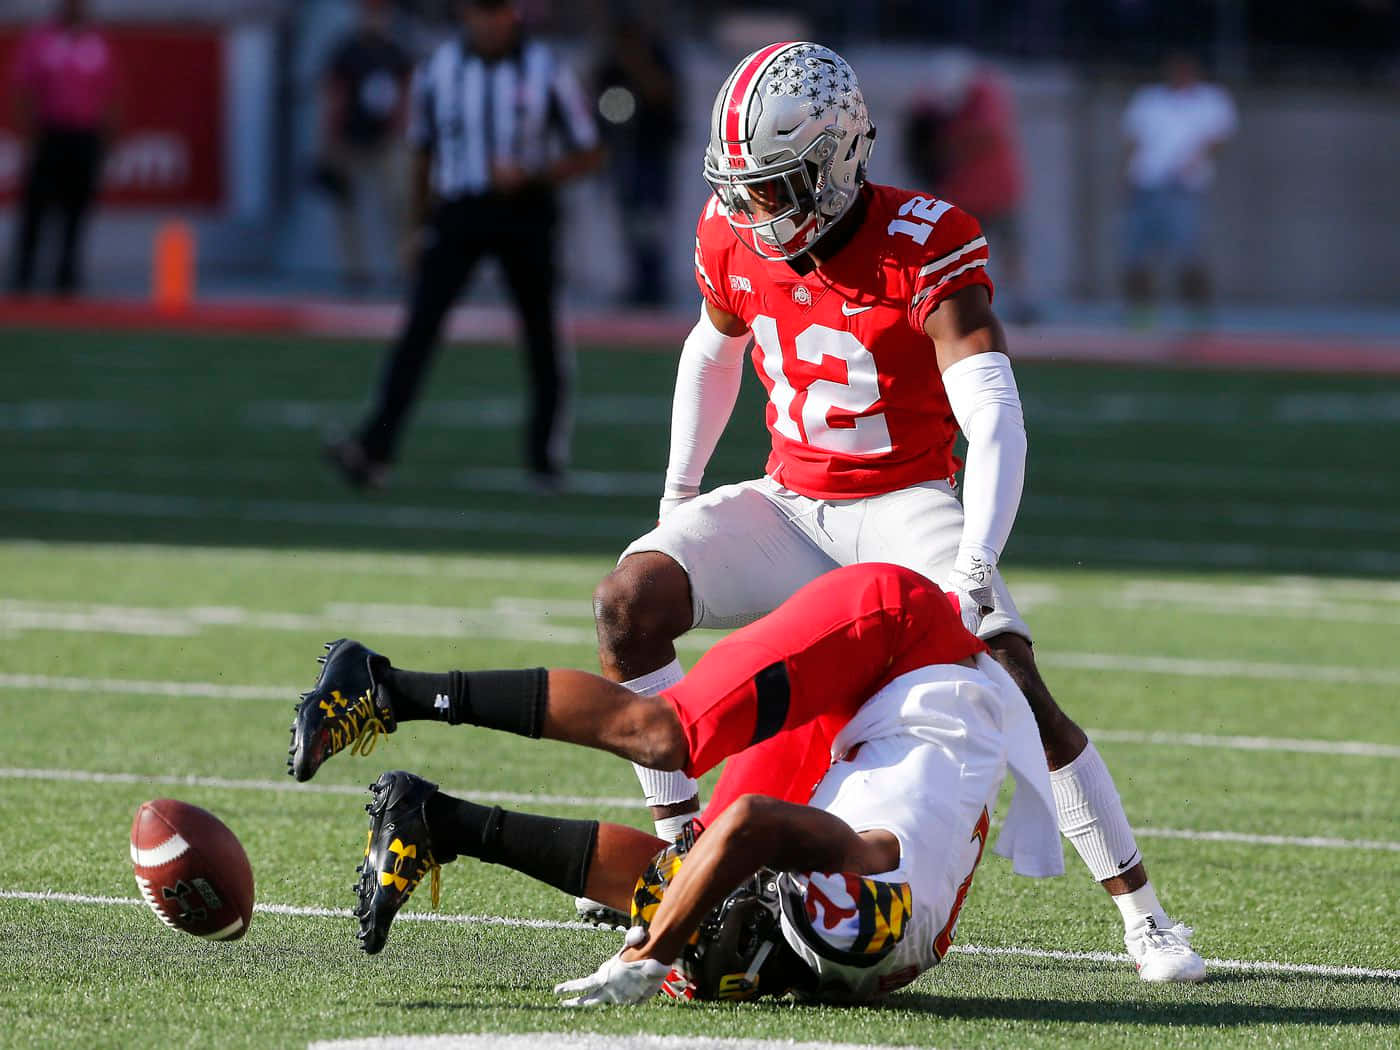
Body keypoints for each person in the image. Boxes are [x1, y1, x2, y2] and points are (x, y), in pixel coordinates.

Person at [581, 42, 1203, 981]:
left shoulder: (927, 237)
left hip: (907, 505)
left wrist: (979, 562)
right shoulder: (731, 229)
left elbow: (993, 415)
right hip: (791, 507)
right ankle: (681, 854)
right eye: (742, 188)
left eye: (776, 186)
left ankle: (1145, 916)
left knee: (1011, 668)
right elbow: (711, 352)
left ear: (835, 163)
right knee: (629, 603)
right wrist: (677, 496)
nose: (754, 211)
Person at [289, 561, 1074, 1003]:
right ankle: (390, 687)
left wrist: (692, 935)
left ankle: (436, 820)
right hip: (900, 641)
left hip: (870, 737)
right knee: (671, 738)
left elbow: (737, 872)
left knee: (690, 879)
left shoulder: (866, 949)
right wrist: (651, 955)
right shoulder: (869, 868)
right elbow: (754, 828)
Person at [325, 0, 603, 491]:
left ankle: (544, 458)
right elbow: (423, 152)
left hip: (527, 211)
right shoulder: (439, 70)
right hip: (458, 212)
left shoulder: (546, 69)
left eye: (498, 12)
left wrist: (533, 175)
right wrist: (416, 226)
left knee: (543, 335)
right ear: (465, 15)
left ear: (512, 16)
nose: (490, 22)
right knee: (418, 330)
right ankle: (375, 450)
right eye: (480, 11)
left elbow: (589, 149)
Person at [904, 51, 1037, 323]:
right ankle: (951, 301)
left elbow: (984, 136)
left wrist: (947, 134)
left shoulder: (987, 100)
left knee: (1010, 247)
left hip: (996, 191)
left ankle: (1020, 303)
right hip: (962, 194)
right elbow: (919, 133)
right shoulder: (931, 101)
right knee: (957, 253)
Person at [7, 0, 119, 295]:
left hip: (85, 136)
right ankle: (23, 277)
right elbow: (22, 87)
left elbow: (110, 92)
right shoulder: (41, 39)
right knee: (36, 208)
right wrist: (28, 135)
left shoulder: (98, 42)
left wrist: (108, 139)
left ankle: (66, 280)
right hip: (49, 134)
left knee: (77, 210)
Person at [1120, 51, 1236, 325]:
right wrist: (1128, 176)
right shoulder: (1149, 99)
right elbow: (1132, 139)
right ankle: (1141, 312)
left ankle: (1197, 314)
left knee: (1189, 251)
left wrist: (1191, 163)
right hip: (1146, 184)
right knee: (1136, 251)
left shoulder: (1210, 99)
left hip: (1184, 187)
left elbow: (1217, 138)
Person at [313, 0, 413, 293]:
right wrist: (330, 140)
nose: (375, 19)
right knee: (348, 209)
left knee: (399, 201)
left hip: (385, 141)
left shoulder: (394, 51)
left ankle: (405, 267)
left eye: (379, 13)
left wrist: (402, 130)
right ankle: (355, 271)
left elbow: (406, 92)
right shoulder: (346, 50)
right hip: (350, 140)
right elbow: (334, 94)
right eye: (370, 13)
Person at [592, 13, 681, 306]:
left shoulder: (656, 55)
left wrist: (637, 62)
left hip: (652, 152)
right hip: (623, 153)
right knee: (630, 221)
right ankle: (637, 280)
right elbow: (600, 105)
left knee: (651, 221)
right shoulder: (610, 63)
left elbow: (663, 94)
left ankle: (652, 283)